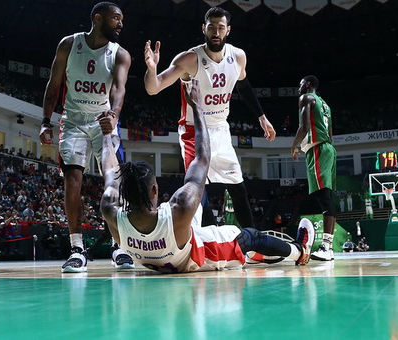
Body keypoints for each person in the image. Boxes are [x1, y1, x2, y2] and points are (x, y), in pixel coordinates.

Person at [98, 82, 313, 273]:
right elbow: (202, 158)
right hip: (197, 256)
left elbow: (109, 171)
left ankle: (263, 253)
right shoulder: (177, 209)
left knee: (198, 199)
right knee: (250, 236)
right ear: (154, 190)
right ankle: (298, 251)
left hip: (156, 257)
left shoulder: (111, 211)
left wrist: (106, 136)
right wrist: (198, 108)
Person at [144, 7, 276, 229]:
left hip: (221, 129)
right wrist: (151, 68)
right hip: (194, 131)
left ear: (228, 30)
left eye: (221, 27)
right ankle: (207, 237)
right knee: (196, 187)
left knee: (238, 187)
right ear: (204, 28)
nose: (216, 32)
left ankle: (252, 241)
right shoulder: (189, 59)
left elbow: (243, 85)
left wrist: (262, 116)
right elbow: (153, 88)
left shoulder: (238, 56)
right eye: (212, 27)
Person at [39, 2, 133, 273]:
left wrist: (114, 114)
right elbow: (53, 85)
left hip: (104, 122)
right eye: (116, 18)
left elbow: (119, 88)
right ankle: (77, 248)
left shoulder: (121, 54)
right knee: (72, 180)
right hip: (73, 120)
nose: (120, 24)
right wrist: (46, 121)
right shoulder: (69, 44)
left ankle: (119, 246)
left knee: (113, 180)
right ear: (98, 18)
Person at [291, 75, 337, 261]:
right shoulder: (326, 105)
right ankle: (328, 246)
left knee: (323, 196)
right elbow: (331, 133)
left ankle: (327, 247)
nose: (299, 87)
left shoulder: (306, 98)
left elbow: (303, 126)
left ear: (308, 84)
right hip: (328, 148)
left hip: (318, 148)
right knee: (325, 195)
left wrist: (294, 145)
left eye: (301, 83)